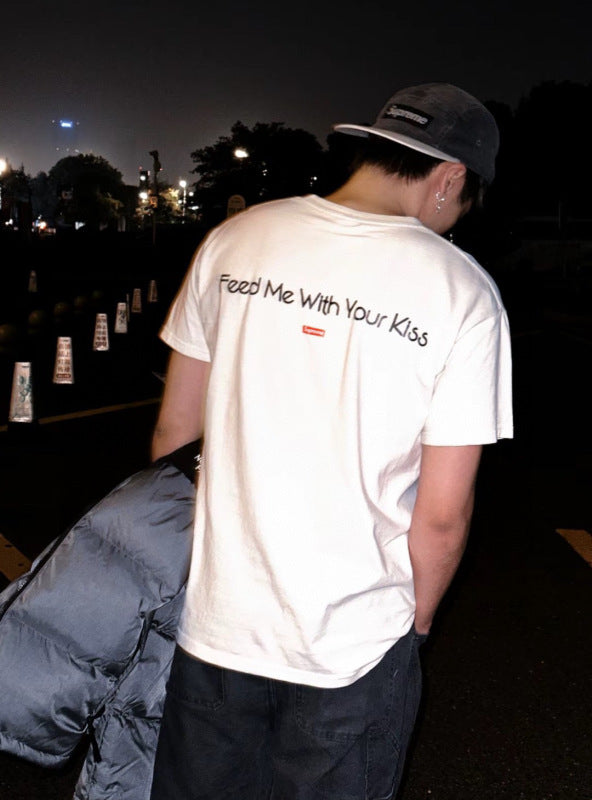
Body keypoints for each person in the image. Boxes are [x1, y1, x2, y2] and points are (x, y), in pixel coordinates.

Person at [149, 82, 513, 799]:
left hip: (216, 628)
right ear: (450, 178)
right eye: (463, 204)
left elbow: (173, 434)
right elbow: (443, 515)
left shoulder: (236, 240)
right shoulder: (464, 293)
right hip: (353, 645)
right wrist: (415, 627)